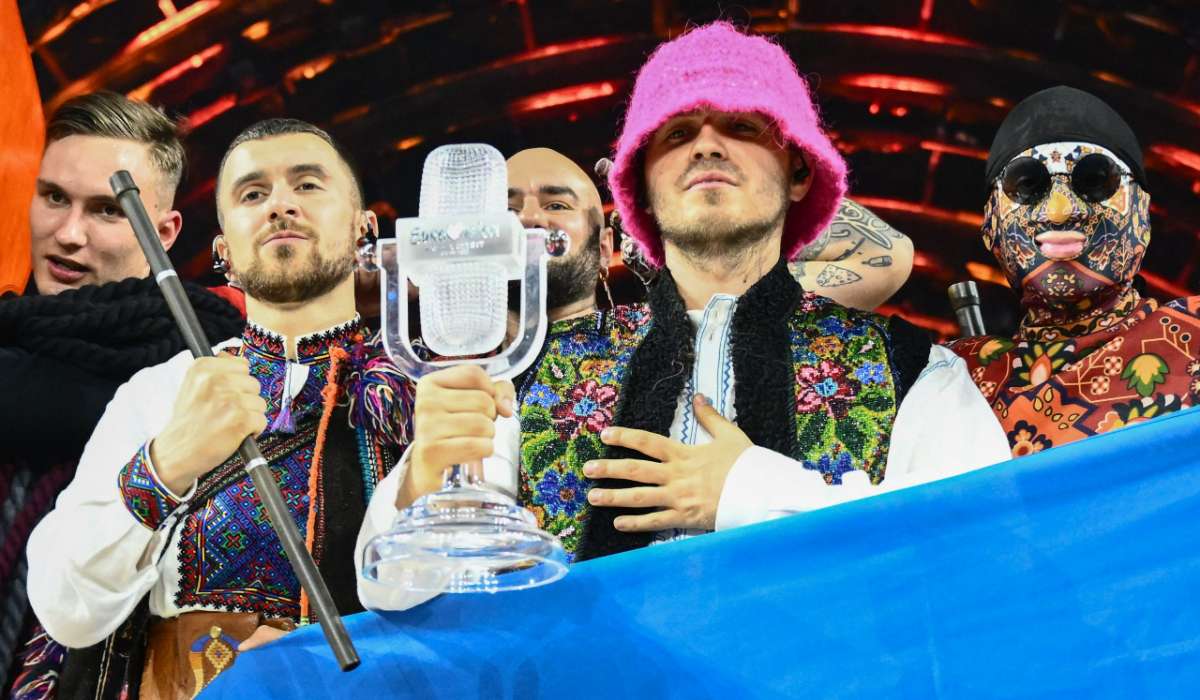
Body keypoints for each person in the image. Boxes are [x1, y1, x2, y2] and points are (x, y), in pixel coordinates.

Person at [356, 22, 1008, 582]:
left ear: (799, 170)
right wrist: (423, 482)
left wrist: (749, 491)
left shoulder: (914, 367)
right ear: (638, 183)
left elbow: (984, 553)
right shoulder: (525, 376)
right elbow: (396, 587)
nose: (706, 144)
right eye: (675, 134)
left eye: (743, 124)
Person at [25, 118, 410, 698]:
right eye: (253, 194)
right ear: (224, 248)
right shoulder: (158, 391)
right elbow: (65, 609)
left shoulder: (427, 388)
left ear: (364, 228)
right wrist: (166, 464)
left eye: (307, 185)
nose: (280, 204)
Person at [2, 92, 244, 697]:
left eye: (107, 210)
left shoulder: (209, 370)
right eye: (54, 197)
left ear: (163, 232)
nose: (68, 234)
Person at [948, 86, 1200, 456]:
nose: (1060, 210)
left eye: (1095, 180)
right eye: (1027, 184)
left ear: (1142, 214)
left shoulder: (1194, 340)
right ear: (990, 225)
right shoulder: (955, 375)